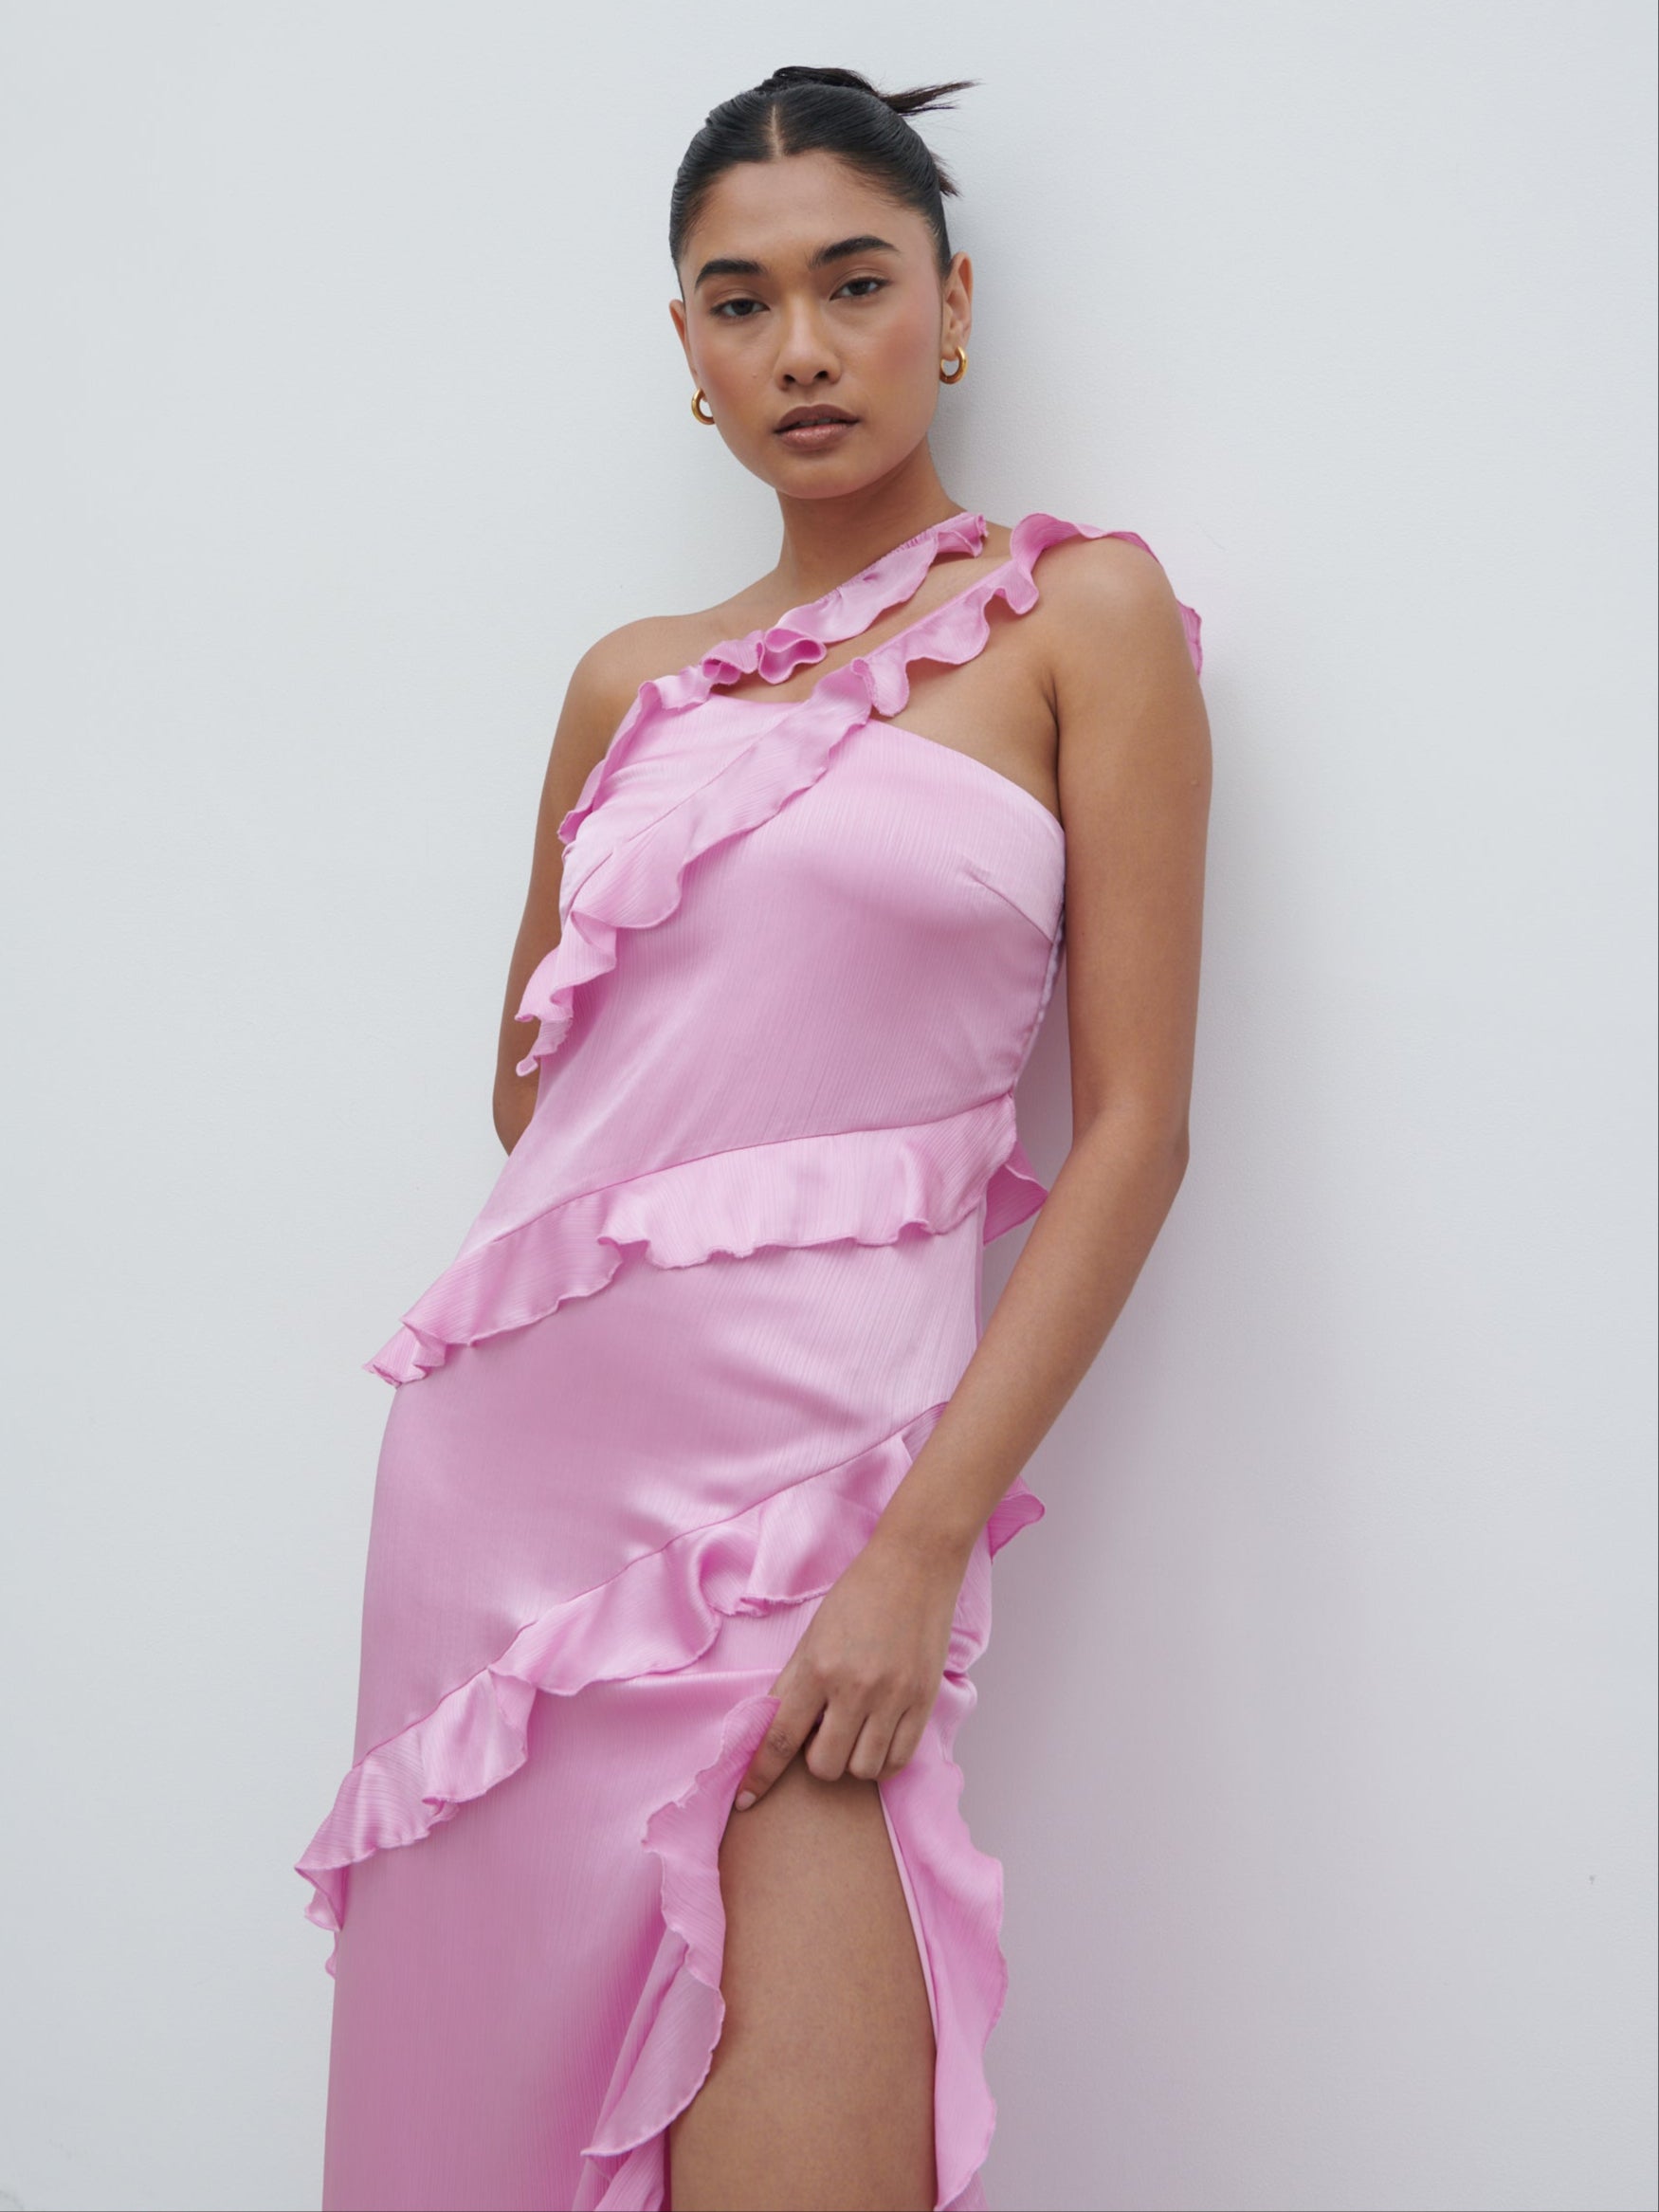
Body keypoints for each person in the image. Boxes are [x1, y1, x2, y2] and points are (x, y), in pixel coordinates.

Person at [297, 62, 1211, 2212]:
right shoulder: (630, 686)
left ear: (950, 308)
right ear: (687, 348)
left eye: (853, 283)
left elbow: (1137, 1131)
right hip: (515, 1512)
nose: (799, 346)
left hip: (825, 1504)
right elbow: (539, 1097)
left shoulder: (1078, 619)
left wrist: (915, 1546)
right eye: (738, 301)